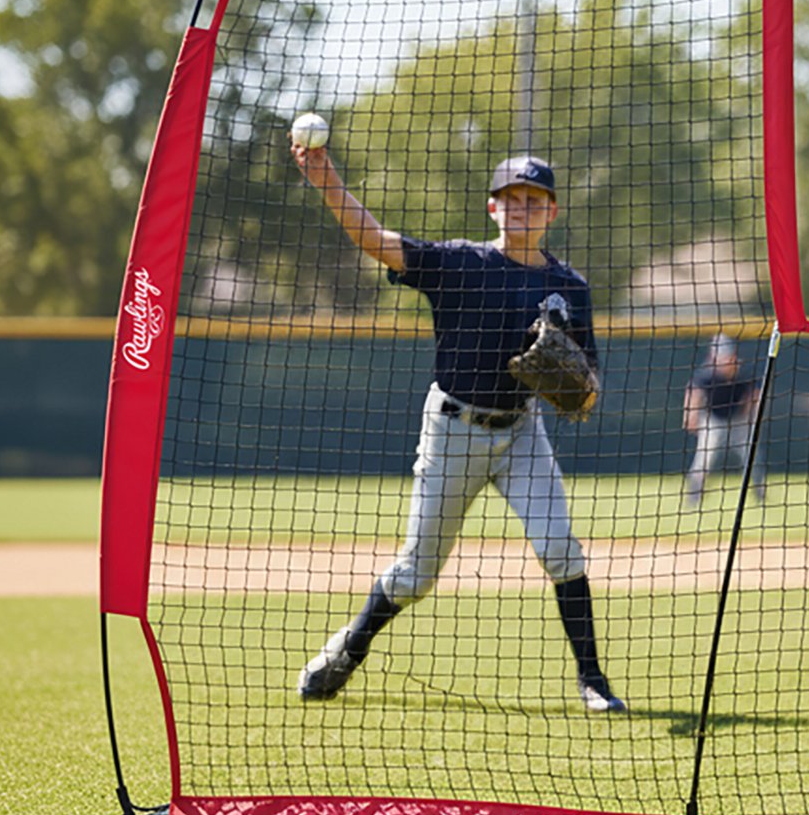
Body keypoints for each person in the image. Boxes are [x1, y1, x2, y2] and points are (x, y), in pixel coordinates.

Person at [291, 141, 625, 713]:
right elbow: (375, 242)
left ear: (552, 211)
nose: (522, 206)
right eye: (511, 197)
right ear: (493, 207)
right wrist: (326, 179)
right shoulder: (460, 263)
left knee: (560, 550)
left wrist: (580, 387)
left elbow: (590, 381)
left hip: (523, 431)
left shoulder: (571, 287)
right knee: (417, 574)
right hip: (454, 431)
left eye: (535, 198)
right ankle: (346, 649)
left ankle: (593, 681)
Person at [682, 334, 766, 506]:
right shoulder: (706, 373)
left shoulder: (743, 372)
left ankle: (760, 493)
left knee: (752, 457)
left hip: (738, 420)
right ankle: (695, 495)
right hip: (714, 419)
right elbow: (694, 393)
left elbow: (755, 394)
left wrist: (752, 415)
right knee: (704, 458)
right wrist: (690, 416)